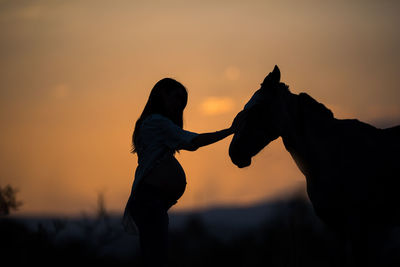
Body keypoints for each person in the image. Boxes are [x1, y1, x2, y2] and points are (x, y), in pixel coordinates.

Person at [123, 78, 242, 266]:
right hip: (150, 200)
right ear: (161, 94)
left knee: (154, 255)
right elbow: (193, 142)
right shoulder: (156, 122)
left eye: (183, 102)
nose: (179, 105)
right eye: (176, 98)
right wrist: (229, 131)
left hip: (153, 201)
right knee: (156, 257)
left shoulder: (153, 124)